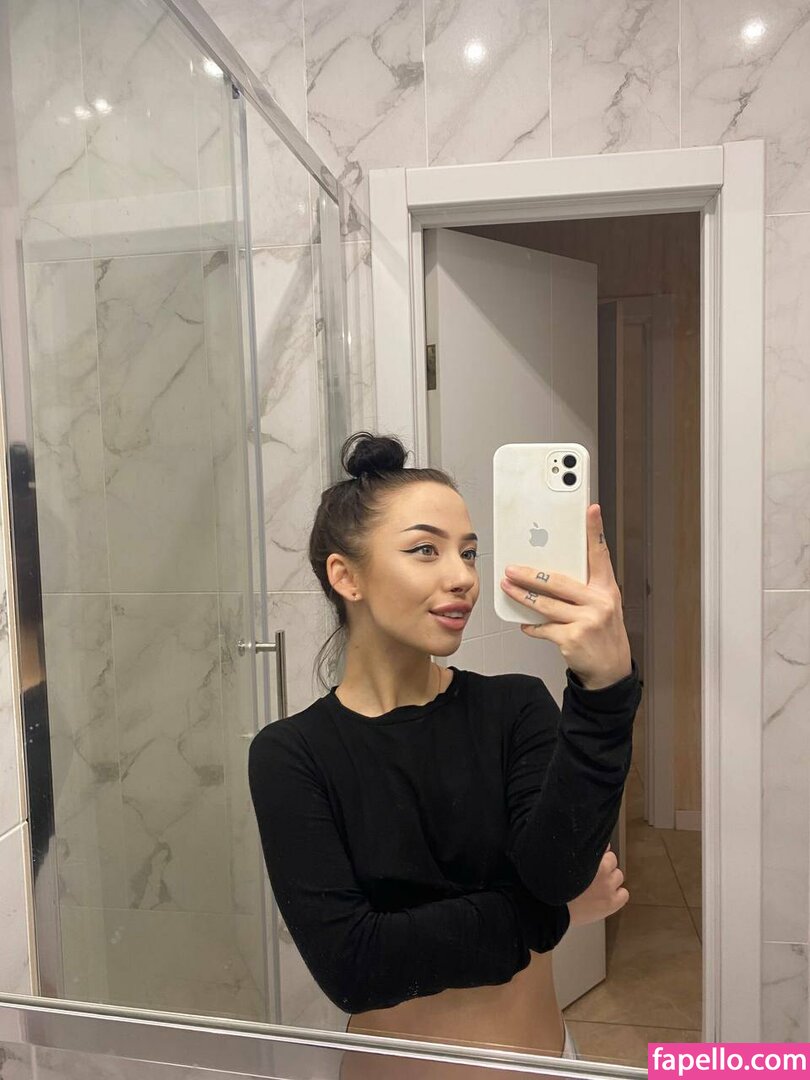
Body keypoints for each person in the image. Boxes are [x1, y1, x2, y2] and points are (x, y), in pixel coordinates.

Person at [248, 431, 643, 1076]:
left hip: (549, 1062)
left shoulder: (514, 707)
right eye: (425, 550)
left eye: (469, 552)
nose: (462, 576)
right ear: (346, 576)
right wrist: (548, 914)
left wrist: (605, 691)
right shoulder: (292, 755)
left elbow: (557, 872)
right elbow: (356, 967)